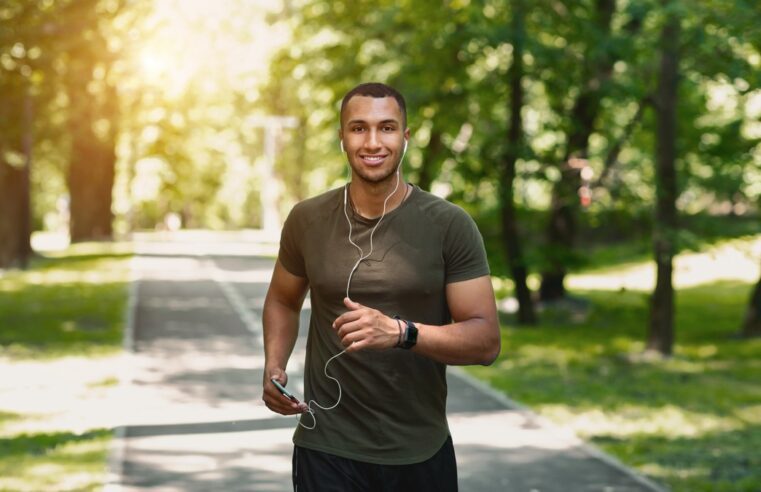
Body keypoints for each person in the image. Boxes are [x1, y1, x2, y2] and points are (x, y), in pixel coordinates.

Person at [262, 82, 500, 491]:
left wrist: (400, 333)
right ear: (342, 138)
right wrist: (273, 364)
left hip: (418, 450)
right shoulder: (307, 219)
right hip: (327, 446)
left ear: (405, 138)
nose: (373, 142)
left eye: (387, 128)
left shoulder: (449, 225)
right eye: (358, 128)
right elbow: (283, 300)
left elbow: (486, 341)